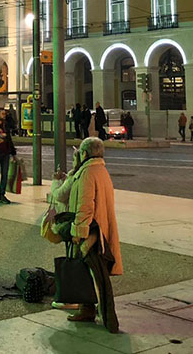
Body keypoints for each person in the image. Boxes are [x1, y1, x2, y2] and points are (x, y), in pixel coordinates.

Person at [51, 138, 122, 333]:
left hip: (91, 234)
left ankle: (105, 317)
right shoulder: (100, 170)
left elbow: (85, 205)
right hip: (99, 230)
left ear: (84, 154)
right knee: (89, 273)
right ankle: (87, 309)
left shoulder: (88, 173)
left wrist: (78, 231)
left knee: (96, 276)